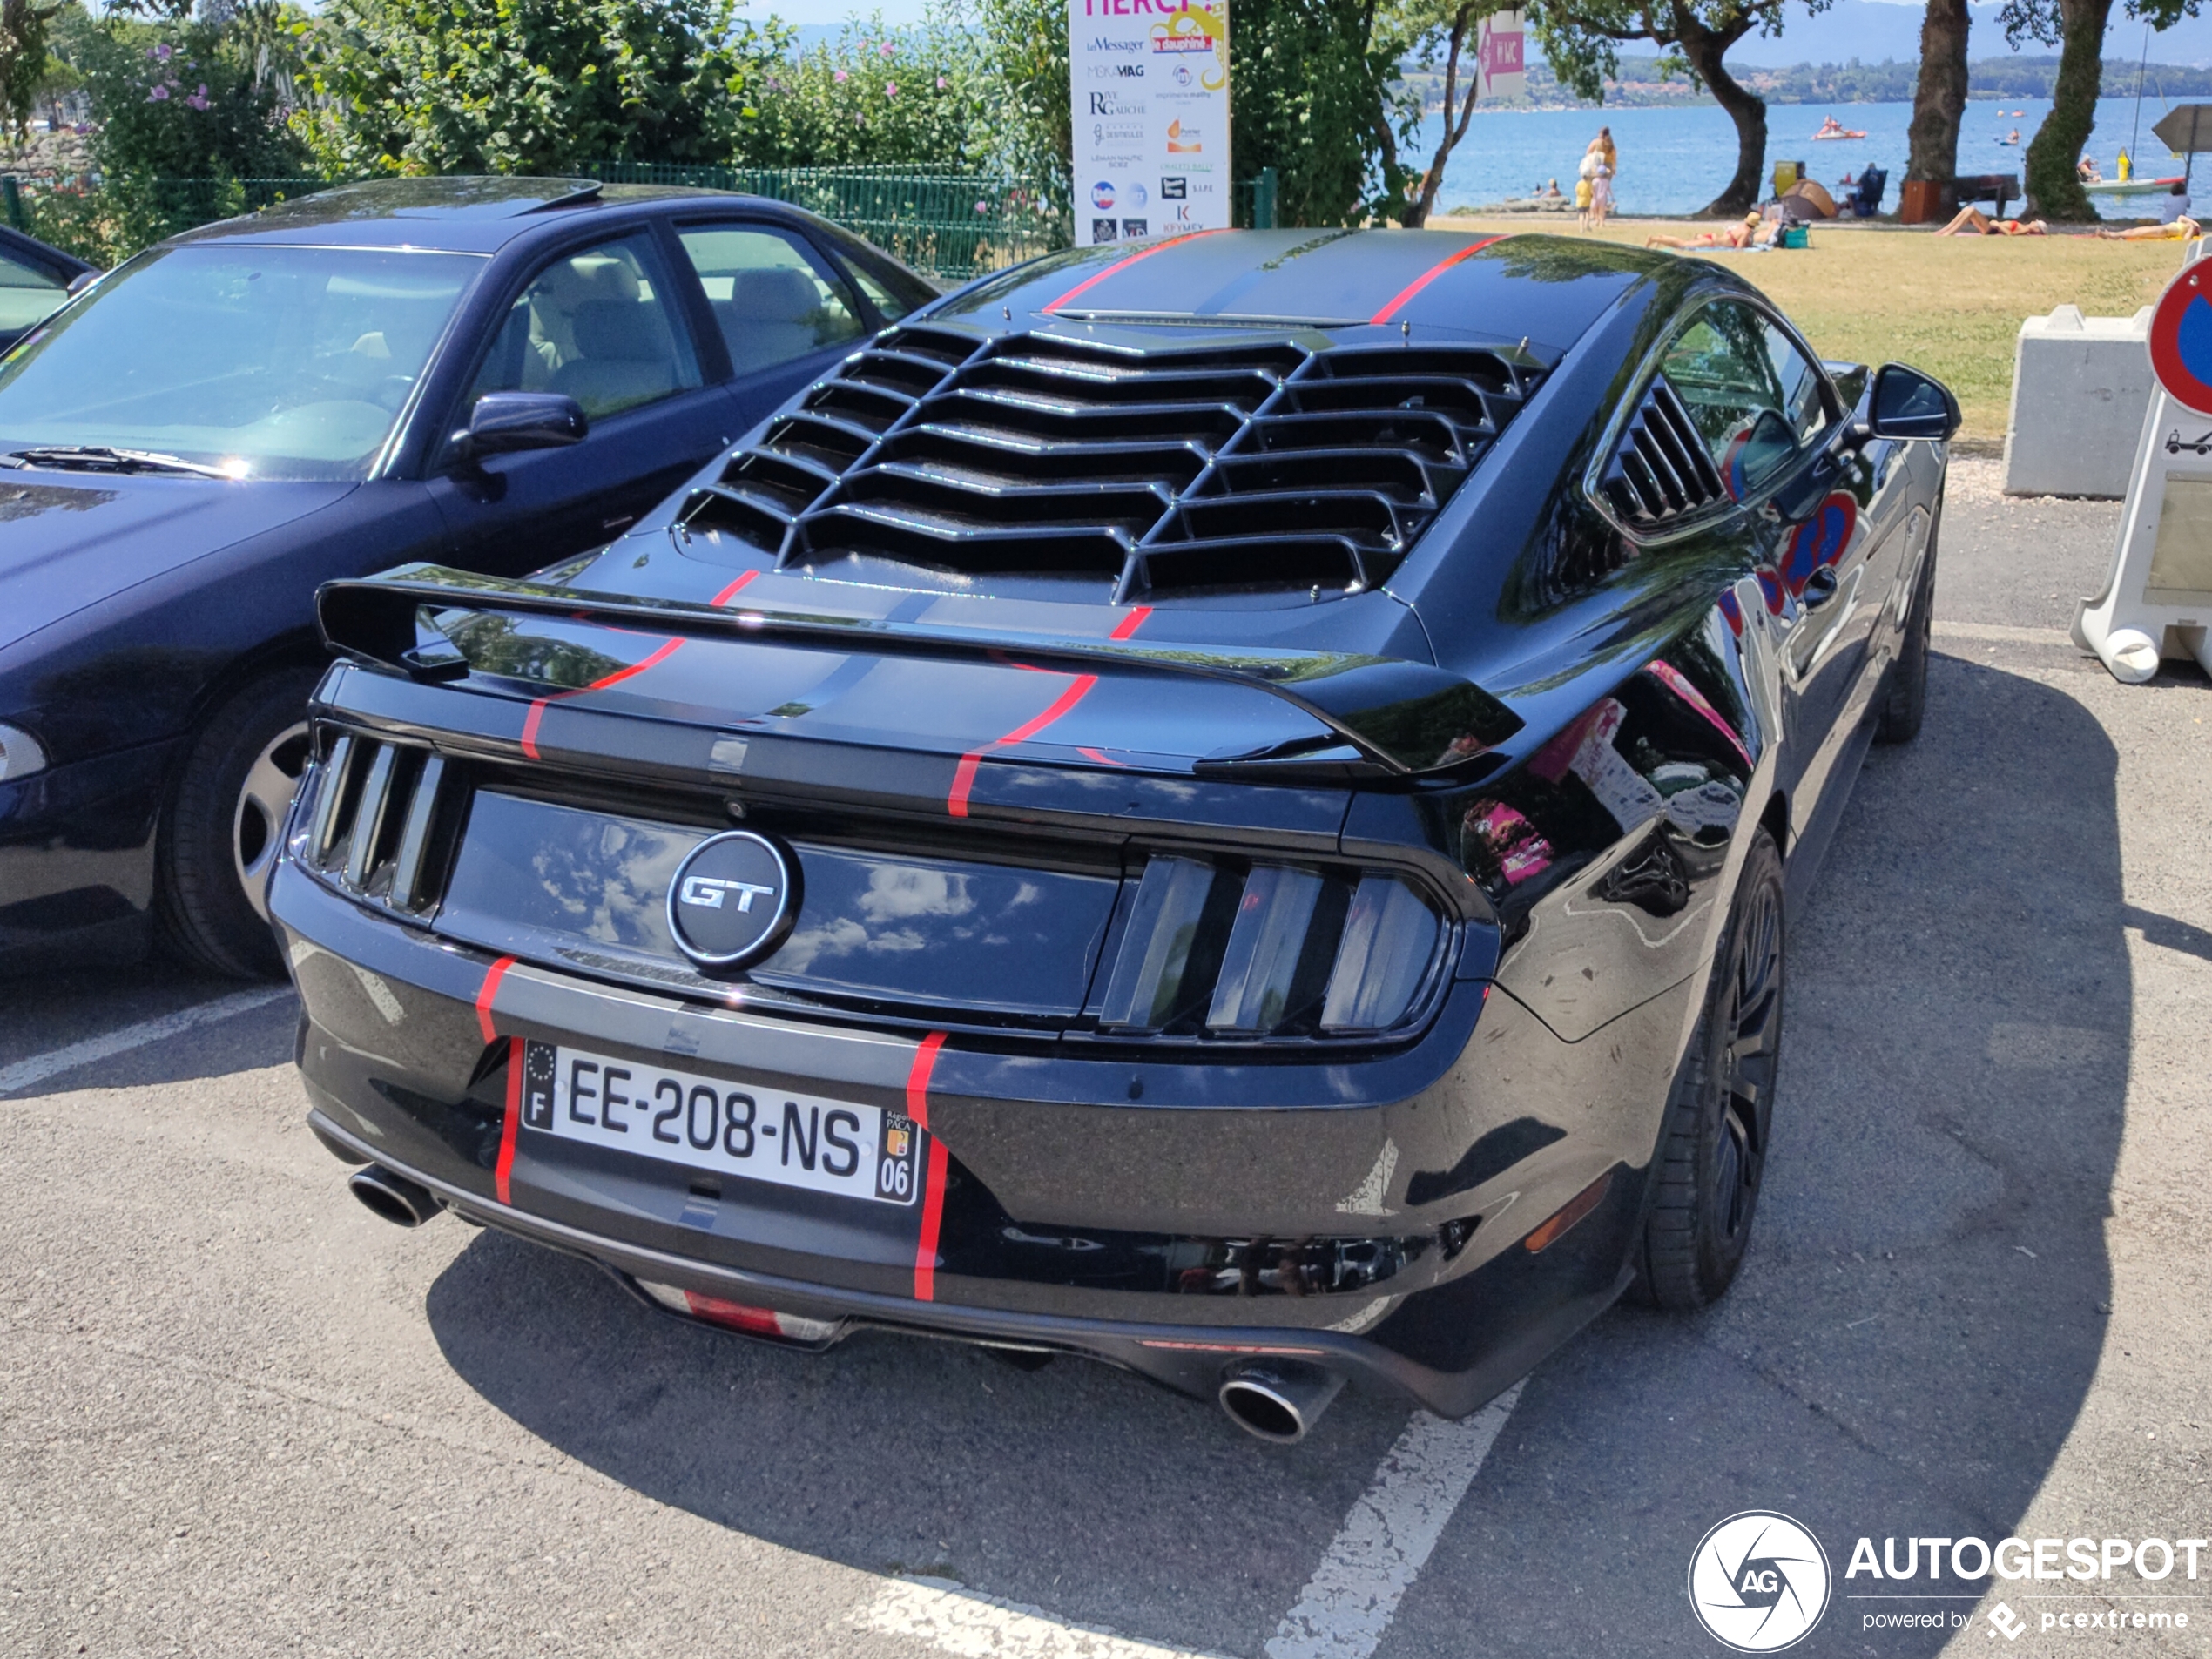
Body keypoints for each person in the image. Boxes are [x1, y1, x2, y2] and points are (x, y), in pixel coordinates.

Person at [1644, 212, 1781, 252]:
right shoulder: (1746, 232)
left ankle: (1660, 238)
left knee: (1684, 243)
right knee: (1683, 245)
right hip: (1711, 242)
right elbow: (1739, 247)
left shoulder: (1741, 226)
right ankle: (1656, 239)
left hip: (1713, 238)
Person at [1937, 205, 2047, 235]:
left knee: (1972, 211)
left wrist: (1998, 225)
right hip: (1992, 227)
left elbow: (2010, 234)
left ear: (2037, 229)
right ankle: (1944, 230)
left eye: (2035, 223)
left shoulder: (2024, 230)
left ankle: (1949, 233)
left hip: (1993, 230)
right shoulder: (2024, 227)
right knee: (1968, 209)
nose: (2032, 222)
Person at [2098, 213, 2202, 241]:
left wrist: (2193, 227)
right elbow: (2181, 217)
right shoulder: (2183, 224)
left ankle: (2109, 235)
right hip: (2161, 228)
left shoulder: (2188, 230)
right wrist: (2193, 222)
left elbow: (2186, 240)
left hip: (2164, 231)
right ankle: (2112, 235)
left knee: (2135, 233)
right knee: (2133, 231)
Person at [1590, 161, 1615, 228]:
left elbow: (1593, 189)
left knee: (1595, 209)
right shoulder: (1606, 181)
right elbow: (1609, 190)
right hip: (1603, 197)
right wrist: (1612, 197)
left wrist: (1591, 195)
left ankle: (1597, 220)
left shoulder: (1595, 180)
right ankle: (1602, 222)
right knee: (1602, 210)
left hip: (1595, 197)